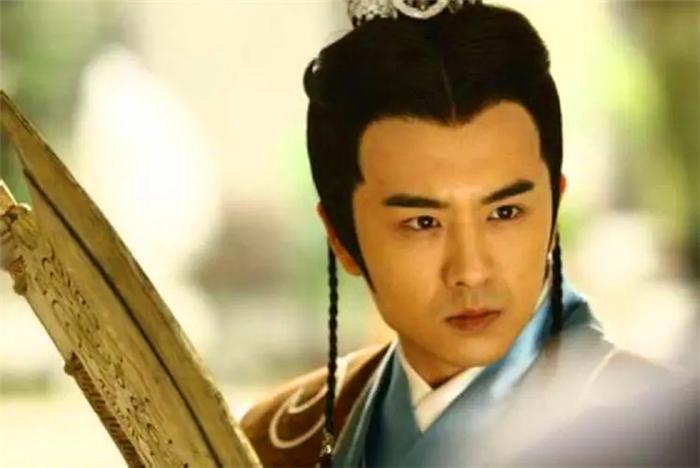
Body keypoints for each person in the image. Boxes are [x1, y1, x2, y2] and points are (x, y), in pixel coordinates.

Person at [241, 1, 695, 466]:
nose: (471, 271)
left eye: (505, 212)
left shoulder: (668, 437)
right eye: (423, 223)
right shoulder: (275, 439)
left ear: (554, 209)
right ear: (340, 238)